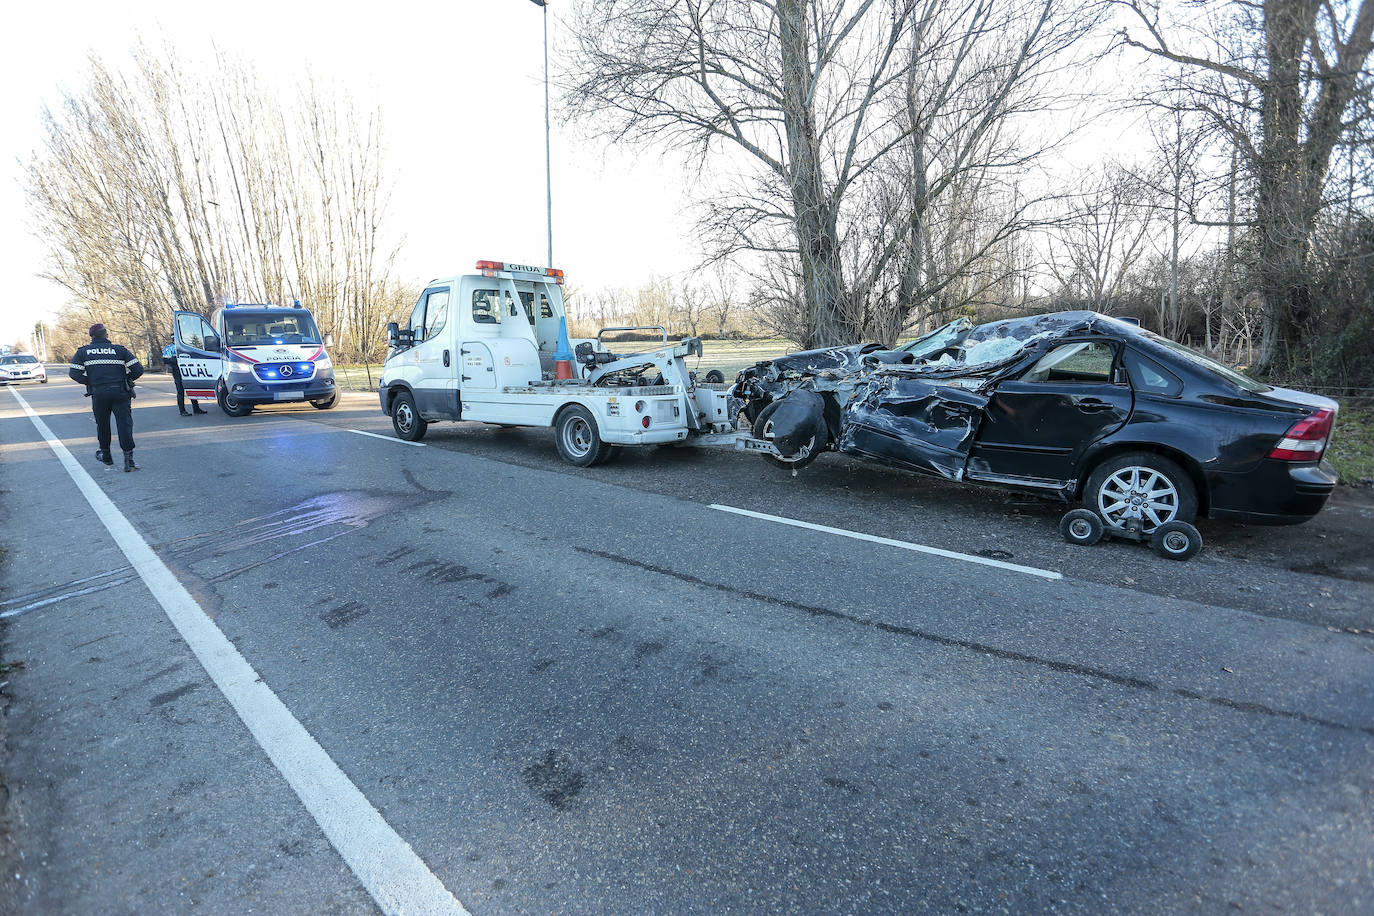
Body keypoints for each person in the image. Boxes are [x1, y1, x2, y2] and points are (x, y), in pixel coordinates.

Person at [70, 323, 144, 472]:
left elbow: (74, 374)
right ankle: (129, 461)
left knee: (102, 425)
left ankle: (106, 456)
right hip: (120, 392)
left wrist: (91, 381)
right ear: (106, 334)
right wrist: (125, 379)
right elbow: (138, 370)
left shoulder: (83, 352)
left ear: (92, 337)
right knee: (124, 425)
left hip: (99, 394)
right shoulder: (119, 350)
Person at [162, 344, 207, 416]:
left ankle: (196, 408)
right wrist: (174, 359)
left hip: (187, 370)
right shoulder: (169, 348)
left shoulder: (184, 345)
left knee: (191, 388)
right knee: (180, 391)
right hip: (177, 371)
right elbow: (165, 360)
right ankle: (182, 410)